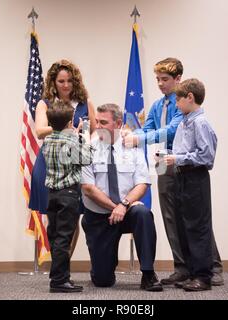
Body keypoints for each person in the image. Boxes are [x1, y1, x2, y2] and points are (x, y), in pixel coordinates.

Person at [122, 58, 224, 286]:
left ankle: (211, 268)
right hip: (161, 161)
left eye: (165, 79)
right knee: (171, 216)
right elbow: (148, 128)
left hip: (182, 161)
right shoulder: (159, 105)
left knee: (195, 218)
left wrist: (139, 138)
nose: (160, 84)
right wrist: (131, 133)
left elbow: (169, 132)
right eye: (157, 79)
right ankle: (183, 267)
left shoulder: (183, 107)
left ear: (178, 79)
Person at [81, 103, 163, 292]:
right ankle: (104, 262)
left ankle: (149, 274)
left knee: (143, 213)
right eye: (97, 122)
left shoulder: (132, 147)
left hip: (127, 210)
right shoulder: (88, 149)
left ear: (118, 124)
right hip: (100, 216)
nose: (98, 127)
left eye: (104, 122)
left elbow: (142, 183)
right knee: (103, 281)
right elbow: (88, 188)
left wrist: (123, 205)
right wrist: (114, 207)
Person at [28, 59, 96, 258]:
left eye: (69, 81)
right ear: (53, 82)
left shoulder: (85, 103)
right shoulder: (45, 103)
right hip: (50, 162)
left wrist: (86, 141)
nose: (66, 85)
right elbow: (40, 131)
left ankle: (64, 262)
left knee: (72, 214)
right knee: (54, 214)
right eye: (61, 81)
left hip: (75, 161)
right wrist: (66, 128)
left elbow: (96, 130)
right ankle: (58, 260)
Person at [162, 78, 217, 291]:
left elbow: (207, 156)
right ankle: (192, 272)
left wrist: (179, 159)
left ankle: (203, 276)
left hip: (195, 178)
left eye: (178, 99)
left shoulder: (200, 123)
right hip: (182, 177)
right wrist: (171, 156)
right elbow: (185, 150)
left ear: (190, 98)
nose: (176, 104)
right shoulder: (186, 121)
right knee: (185, 226)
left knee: (198, 227)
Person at [42, 100, 92, 293]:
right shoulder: (72, 140)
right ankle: (60, 280)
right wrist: (82, 136)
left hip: (52, 194)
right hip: (68, 194)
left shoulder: (47, 140)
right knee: (64, 237)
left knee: (55, 236)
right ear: (70, 121)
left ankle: (57, 275)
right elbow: (86, 159)